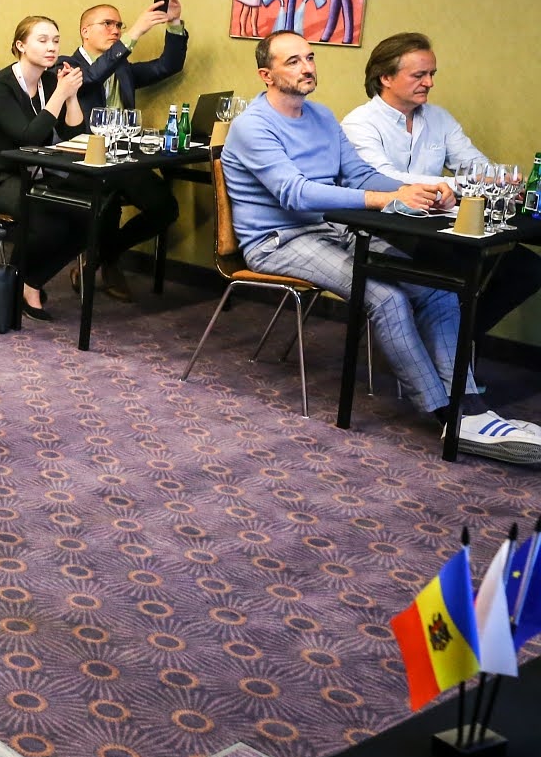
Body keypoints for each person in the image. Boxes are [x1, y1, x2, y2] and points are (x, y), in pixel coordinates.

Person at [224, 31, 540, 461]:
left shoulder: (322, 117)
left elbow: (359, 175)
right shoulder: (252, 126)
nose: (307, 67)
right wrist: (383, 198)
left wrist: (411, 192)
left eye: (310, 58)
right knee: (385, 297)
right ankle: (448, 415)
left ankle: (471, 406)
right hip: (278, 239)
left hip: (330, 229)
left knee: (437, 290)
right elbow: (294, 194)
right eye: (293, 61)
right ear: (267, 74)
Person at [343, 31, 541, 337]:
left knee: (528, 269)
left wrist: (501, 180)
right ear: (385, 78)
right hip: (385, 229)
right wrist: (461, 183)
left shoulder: (439, 118)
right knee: (473, 270)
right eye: (419, 75)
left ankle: (457, 342)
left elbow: (475, 164)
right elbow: (383, 178)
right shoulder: (359, 123)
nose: (429, 83)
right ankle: (448, 345)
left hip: (435, 227)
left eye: (432, 74)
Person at [61, 0, 190, 300]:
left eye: (119, 25)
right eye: (107, 24)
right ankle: (108, 264)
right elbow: (92, 77)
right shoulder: (67, 65)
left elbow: (168, 65)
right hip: (81, 161)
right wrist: (136, 32)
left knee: (165, 207)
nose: (116, 30)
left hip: (121, 159)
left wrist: (173, 22)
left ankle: (102, 257)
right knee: (108, 204)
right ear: (85, 31)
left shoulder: (123, 69)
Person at [0, 15, 87, 321]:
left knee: (90, 211)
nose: (52, 47)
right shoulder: (0, 86)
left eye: (56, 41)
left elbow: (76, 135)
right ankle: (19, 281)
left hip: (28, 175)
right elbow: (27, 137)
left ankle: (29, 280)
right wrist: (60, 94)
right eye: (42, 40)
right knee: (45, 212)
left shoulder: (50, 82)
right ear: (21, 45)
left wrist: (71, 96)